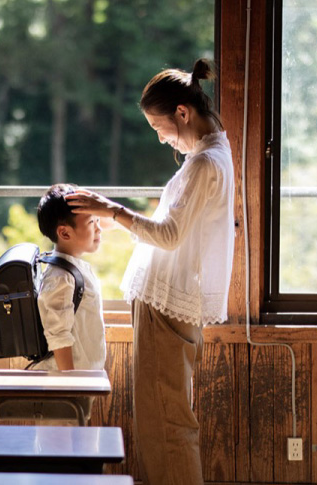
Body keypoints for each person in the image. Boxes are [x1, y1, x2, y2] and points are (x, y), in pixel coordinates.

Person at [65, 59, 234, 485]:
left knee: (167, 424)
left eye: (159, 126)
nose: (159, 138)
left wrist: (114, 210)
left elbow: (171, 235)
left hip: (167, 308)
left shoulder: (204, 163)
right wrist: (115, 220)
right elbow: (172, 230)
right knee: (164, 420)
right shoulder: (207, 155)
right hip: (166, 303)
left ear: (182, 112)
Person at [33, 183, 107, 374]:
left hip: (81, 379)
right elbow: (59, 337)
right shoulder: (60, 278)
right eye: (92, 223)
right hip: (62, 385)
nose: (99, 229)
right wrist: (71, 386)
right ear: (65, 232)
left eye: (98, 220)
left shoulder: (74, 268)